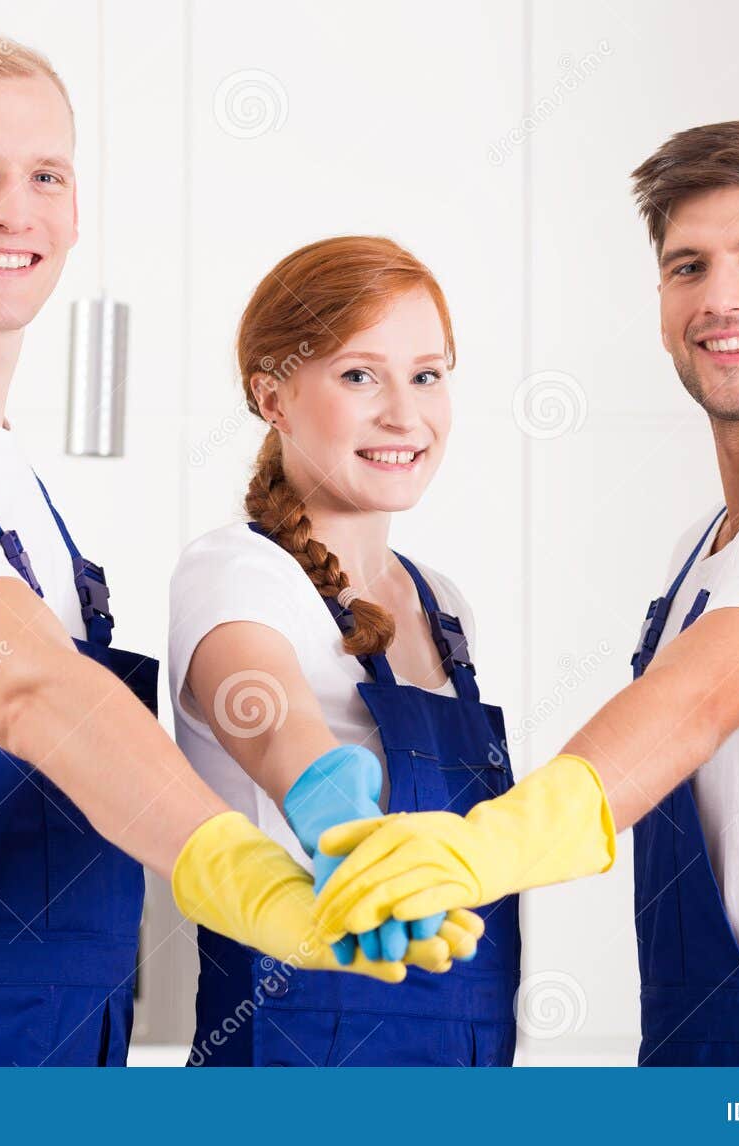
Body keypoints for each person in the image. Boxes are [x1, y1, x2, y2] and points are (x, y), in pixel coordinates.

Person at [0, 29, 473, 1068]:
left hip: (62, 1035)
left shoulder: (5, 478)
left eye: (45, 175)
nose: (11, 210)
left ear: (75, 211)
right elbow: (28, 687)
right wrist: (245, 872)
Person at [311, 120, 739, 1067]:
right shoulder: (707, 549)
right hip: (697, 1047)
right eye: (689, 267)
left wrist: (486, 848)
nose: (722, 298)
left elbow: (692, 706)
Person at [171, 237, 517, 1066]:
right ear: (274, 395)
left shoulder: (444, 608)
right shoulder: (237, 574)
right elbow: (279, 728)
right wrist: (333, 805)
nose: (404, 414)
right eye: (360, 375)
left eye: (426, 375)